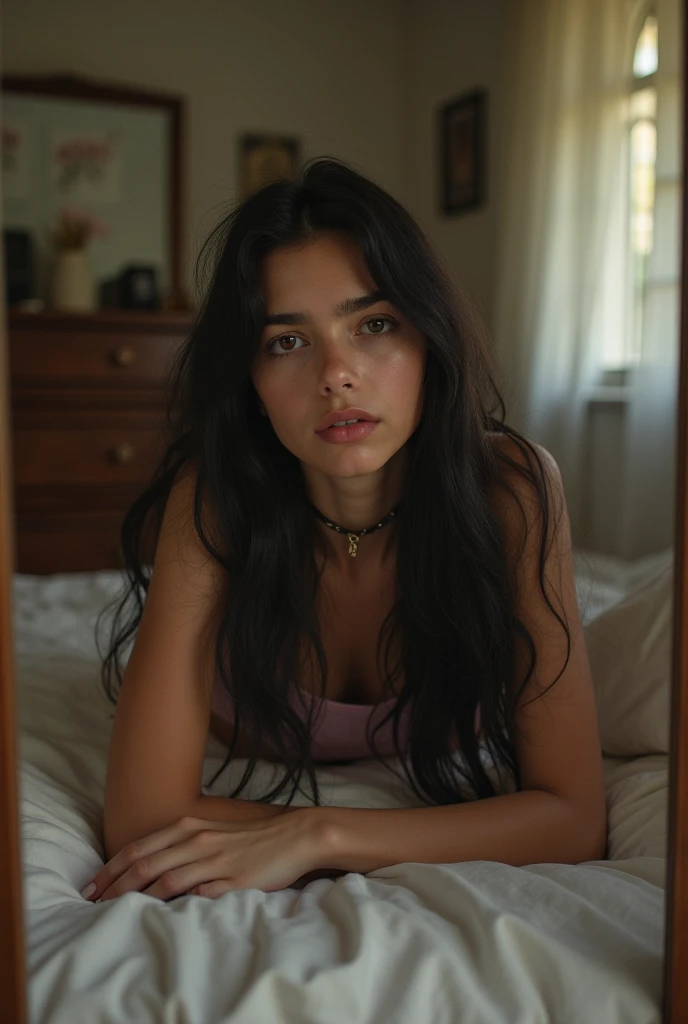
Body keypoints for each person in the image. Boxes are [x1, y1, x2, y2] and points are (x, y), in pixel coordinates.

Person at [85, 157, 606, 902]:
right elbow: (143, 818)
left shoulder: (513, 491)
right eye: (287, 342)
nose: (336, 374)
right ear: (252, 383)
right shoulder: (215, 500)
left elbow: (574, 821)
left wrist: (318, 833)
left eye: (375, 324)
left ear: (430, 340)